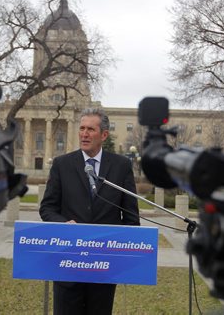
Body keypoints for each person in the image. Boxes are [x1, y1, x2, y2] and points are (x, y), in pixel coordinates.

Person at [39, 107, 140, 315]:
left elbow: (131, 218)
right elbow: (47, 207)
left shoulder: (121, 166)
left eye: (90, 130)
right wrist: (63, 224)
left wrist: (117, 247)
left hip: (104, 269)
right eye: (82, 128)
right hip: (68, 265)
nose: (84, 134)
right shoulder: (62, 164)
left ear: (104, 134)